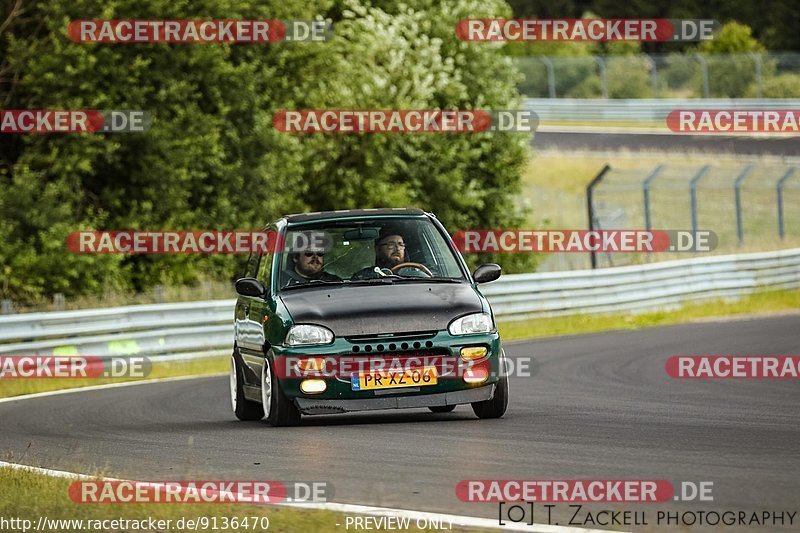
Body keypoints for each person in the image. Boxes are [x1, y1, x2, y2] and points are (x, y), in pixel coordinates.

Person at [351, 228, 429, 279]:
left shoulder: (417, 275)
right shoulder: (364, 277)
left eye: (400, 244)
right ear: (378, 250)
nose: (397, 248)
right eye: (391, 245)